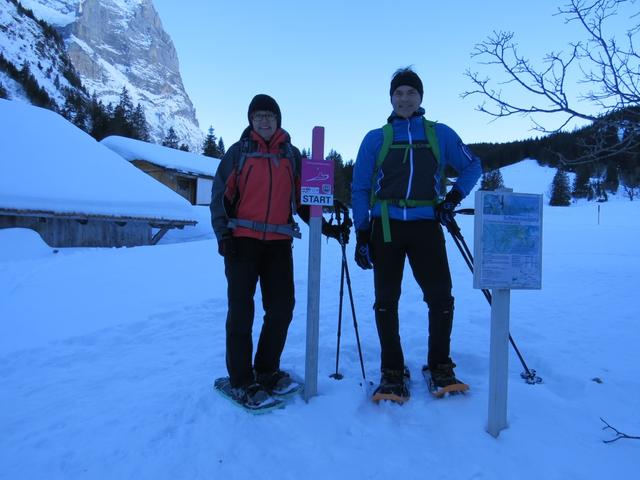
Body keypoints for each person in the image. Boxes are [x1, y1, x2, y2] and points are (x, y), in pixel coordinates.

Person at [351, 68, 482, 403]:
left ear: (420, 97)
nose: (404, 98)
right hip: (387, 227)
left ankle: (440, 366)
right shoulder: (376, 138)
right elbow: (361, 187)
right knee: (386, 300)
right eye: (399, 93)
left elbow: (472, 166)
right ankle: (392, 371)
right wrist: (363, 232)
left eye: (411, 92)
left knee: (440, 297)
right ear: (391, 98)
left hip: (426, 225)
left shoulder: (440, 134)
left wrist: (452, 199)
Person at [211, 94, 349, 409]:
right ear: (250, 120)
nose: (264, 121)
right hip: (241, 241)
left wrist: (325, 225)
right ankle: (241, 380)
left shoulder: (291, 156)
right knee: (241, 312)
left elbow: (303, 200)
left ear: (278, 120)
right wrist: (223, 233)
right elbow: (220, 194)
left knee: (282, 308)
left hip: (278, 243)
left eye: (269, 116)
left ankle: (267, 369)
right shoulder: (239, 153)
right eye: (258, 116)